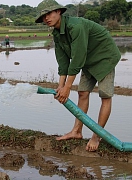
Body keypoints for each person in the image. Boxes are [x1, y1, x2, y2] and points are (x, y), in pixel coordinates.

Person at [35, 4, 121, 151]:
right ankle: (76, 131)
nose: (46, 18)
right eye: (43, 16)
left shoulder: (76, 26)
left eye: (49, 14)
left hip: (105, 57)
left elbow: (77, 58)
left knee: (105, 96)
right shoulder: (56, 33)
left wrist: (68, 87)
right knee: (82, 93)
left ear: (58, 11)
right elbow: (63, 62)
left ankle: (96, 136)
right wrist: (61, 86)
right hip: (88, 60)